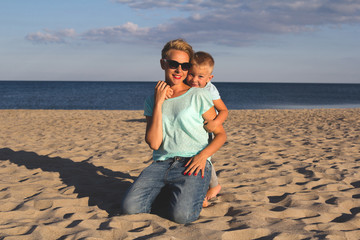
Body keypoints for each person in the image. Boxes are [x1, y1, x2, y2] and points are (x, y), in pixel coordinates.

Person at [121, 39, 227, 224]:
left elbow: (221, 135)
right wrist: (159, 102)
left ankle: (181, 193)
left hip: (193, 163)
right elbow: (154, 143)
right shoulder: (151, 100)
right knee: (130, 209)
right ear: (163, 63)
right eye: (173, 64)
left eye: (185, 66)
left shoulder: (199, 95)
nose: (179, 70)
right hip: (161, 164)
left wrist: (203, 157)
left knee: (182, 216)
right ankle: (171, 192)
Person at [186, 51, 228, 207]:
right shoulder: (187, 86)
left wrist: (215, 123)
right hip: (194, 127)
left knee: (205, 158)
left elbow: (223, 110)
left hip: (208, 128)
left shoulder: (210, 89)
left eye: (200, 77)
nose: (194, 80)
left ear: (209, 78)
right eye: (191, 74)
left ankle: (213, 186)